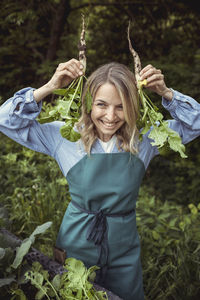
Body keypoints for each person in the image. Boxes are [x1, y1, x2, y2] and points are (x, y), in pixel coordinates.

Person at [0, 59, 200, 300]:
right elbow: (5, 119)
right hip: (76, 243)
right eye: (101, 105)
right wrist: (50, 86)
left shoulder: (146, 138)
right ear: (88, 103)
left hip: (124, 248)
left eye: (120, 106)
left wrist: (166, 94)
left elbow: (196, 122)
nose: (110, 116)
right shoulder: (65, 137)